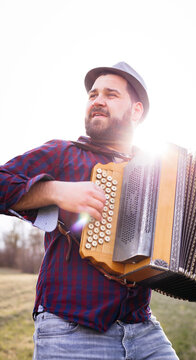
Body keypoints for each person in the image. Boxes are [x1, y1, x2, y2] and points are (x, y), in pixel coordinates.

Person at [0, 62, 179, 360]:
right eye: (93, 94)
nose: (97, 100)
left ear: (136, 111)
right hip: (70, 329)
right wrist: (55, 190)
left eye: (110, 94)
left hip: (143, 328)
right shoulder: (62, 153)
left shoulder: (156, 172)